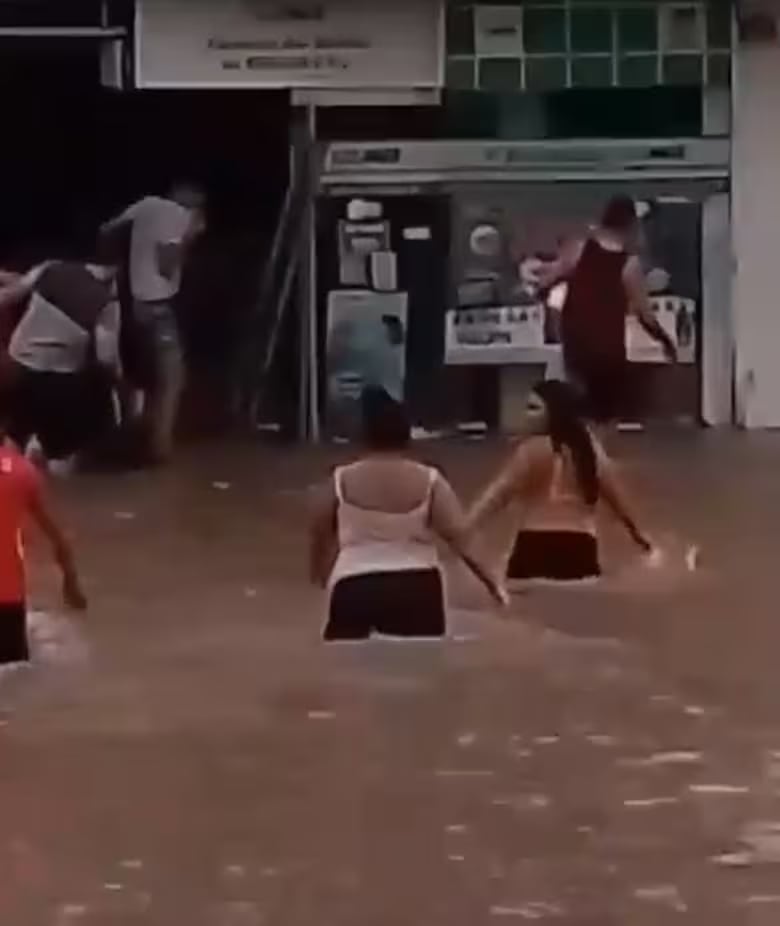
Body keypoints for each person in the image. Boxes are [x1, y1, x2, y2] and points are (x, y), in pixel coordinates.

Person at [310, 387, 506, 641]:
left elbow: (319, 533)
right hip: (419, 588)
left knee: (347, 671)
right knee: (421, 670)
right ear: (406, 433)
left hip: (354, 587)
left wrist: (320, 576)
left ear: (363, 433)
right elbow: (461, 537)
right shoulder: (430, 480)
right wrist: (494, 584)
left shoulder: (340, 479)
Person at [466, 380, 655, 582]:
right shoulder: (589, 451)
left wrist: (463, 531)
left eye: (533, 408)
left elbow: (496, 496)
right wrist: (641, 538)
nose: (525, 415)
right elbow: (618, 500)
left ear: (554, 412)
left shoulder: (529, 451)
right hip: (580, 548)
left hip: (532, 546)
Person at [538, 196, 677, 425]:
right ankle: (597, 455)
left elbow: (547, 282)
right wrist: (665, 341)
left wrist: (545, 305)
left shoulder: (580, 249)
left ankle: (576, 451)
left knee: (581, 408)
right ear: (631, 225)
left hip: (577, 344)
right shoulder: (628, 264)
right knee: (605, 413)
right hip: (607, 349)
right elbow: (645, 314)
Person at [100, 180, 206, 462]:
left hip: (134, 303)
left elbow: (107, 229)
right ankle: (160, 449)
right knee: (173, 379)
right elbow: (168, 263)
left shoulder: (146, 204)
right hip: (158, 306)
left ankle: (136, 437)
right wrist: (190, 236)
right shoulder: (178, 217)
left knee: (149, 376)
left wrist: (123, 266)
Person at [0, 255, 122, 474]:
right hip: (59, 381)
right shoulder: (105, 302)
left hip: (18, 365)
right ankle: (49, 470)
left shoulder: (51, 268)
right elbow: (107, 359)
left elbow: (10, 295)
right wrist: (118, 381)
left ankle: (12, 476)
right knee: (62, 452)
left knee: (14, 436)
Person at [0, 417, 87, 666]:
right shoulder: (23, 472)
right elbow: (58, 537)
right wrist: (71, 583)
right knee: (13, 676)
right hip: (7, 600)